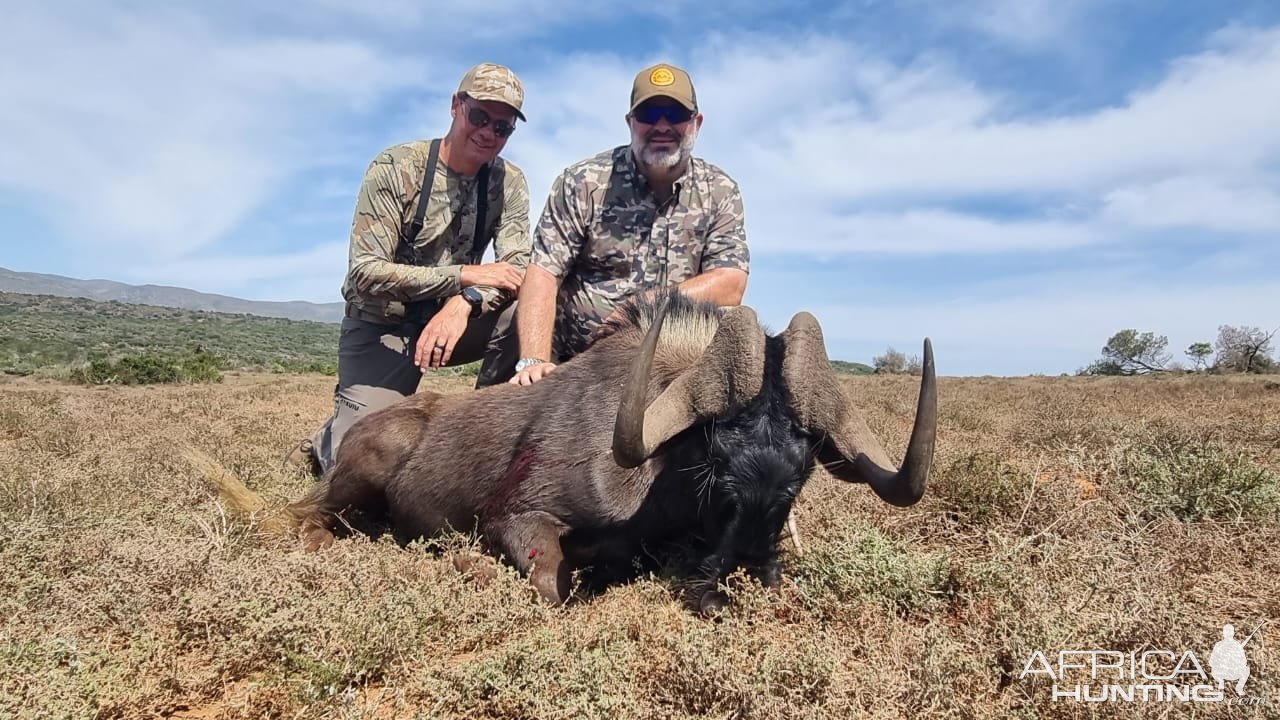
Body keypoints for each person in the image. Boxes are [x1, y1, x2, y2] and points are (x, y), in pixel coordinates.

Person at [302, 63, 532, 474]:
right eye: (480, 116)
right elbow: (366, 273)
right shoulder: (395, 168)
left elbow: (515, 268)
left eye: (503, 127)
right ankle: (332, 436)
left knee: (525, 312)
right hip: (383, 326)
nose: (488, 133)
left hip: (452, 325)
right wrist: (463, 275)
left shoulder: (509, 182)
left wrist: (465, 302)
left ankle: (487, 442)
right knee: (357, 467)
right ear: (455, 106)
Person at [509, 62, 749, 385]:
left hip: (672, 364)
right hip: (577, 361)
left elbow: (730, 282)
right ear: (630, 122)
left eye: (675, 115)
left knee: (739, 324)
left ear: (696, 123)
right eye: (649, 115)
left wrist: (642, 306)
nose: (662, 126)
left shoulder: (720, 190)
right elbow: (542, 272)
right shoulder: (583, 182)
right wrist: (533, 361)